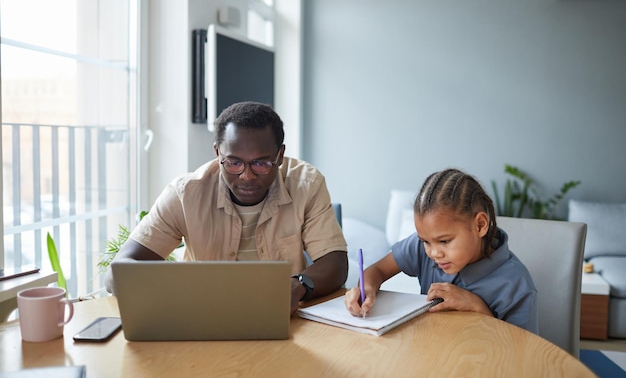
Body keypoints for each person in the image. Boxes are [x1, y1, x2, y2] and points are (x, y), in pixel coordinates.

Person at [105, 101, 348, 315]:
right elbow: (117, 273)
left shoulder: (306, 184)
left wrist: (298, 286)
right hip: (203, 318)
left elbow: (335, 263)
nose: (247, 176)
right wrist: (176, 293)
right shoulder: (185, 194)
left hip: (284, 318)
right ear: (218, 153)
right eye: (233, 163)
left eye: (261, 163)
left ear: (280, 155)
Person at [345, 168, 538, 333]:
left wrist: (476, 306)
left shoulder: (517, 284)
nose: (434, 253)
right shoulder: (425, 247)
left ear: (480, 225)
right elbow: (378, 270)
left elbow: (520, 350)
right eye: (425, 241)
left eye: (444, 241)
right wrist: (367, 288)